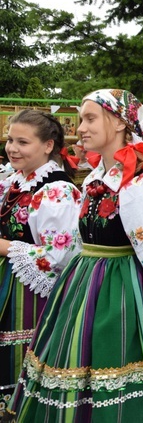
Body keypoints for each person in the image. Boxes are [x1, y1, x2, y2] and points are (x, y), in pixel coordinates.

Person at [5, 89, 143, 422]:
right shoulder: (95, 179)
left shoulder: (140, 182)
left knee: (112, 362)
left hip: (121, 288)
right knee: (74, 360)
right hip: (81, 282)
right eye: (81, 119)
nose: (81, 128)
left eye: (90, 118)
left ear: (119, 122)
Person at [0, 110, 81, 417]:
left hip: (31, 297)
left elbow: (58, 257)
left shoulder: (57, 191)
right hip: (10, 283)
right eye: (10, 140)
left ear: (48, 146)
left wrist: (5, 247)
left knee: (23, 369)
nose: (12, 148)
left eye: (23, 141)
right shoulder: (15, 182)